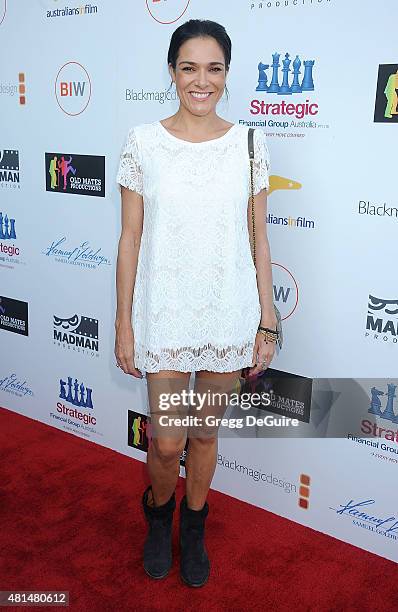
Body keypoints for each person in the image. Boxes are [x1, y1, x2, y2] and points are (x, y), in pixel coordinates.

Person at [114, 19, 277, 587]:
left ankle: (194, 525)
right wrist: (123, 324)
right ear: (172, 72)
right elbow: (129, 238)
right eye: (189, 68)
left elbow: (258, 237)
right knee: (166, 439)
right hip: (163, 311)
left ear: (227, 75)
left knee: (205, 434)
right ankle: (158, 515)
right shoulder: (142, 142)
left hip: (227, 310)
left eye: (213, 68)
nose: (201, 81)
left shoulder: (250, 142)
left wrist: (268, 316)